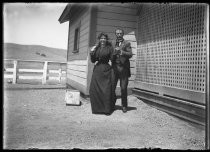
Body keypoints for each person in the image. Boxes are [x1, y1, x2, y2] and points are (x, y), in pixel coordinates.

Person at [89, 32, 115, 115]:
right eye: (101, 38)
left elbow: (112, 59)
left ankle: (106, 109)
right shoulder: (96, 48)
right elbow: (93, 60)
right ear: (99, 39)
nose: (103, 40)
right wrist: (92, 52)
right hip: (97, 69)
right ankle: (97, 109)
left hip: (106, 69)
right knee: (94, 89)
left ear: (106, 39)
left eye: (104, 38)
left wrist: (115, 54)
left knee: (106, 90)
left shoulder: (109, 48)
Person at [112, 28, 133, 113]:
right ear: (115, 34)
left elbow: (130, 54)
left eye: (120, 33)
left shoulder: (127, 43)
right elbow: (110, 53)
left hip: (123, 68)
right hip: (114, 68)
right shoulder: (112, 43)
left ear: (123, 34)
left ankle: (124, 106)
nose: (119, 35)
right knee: (112, 87)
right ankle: (112, 104)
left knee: (123, 88)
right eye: (117, 33)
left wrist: (121, 52)